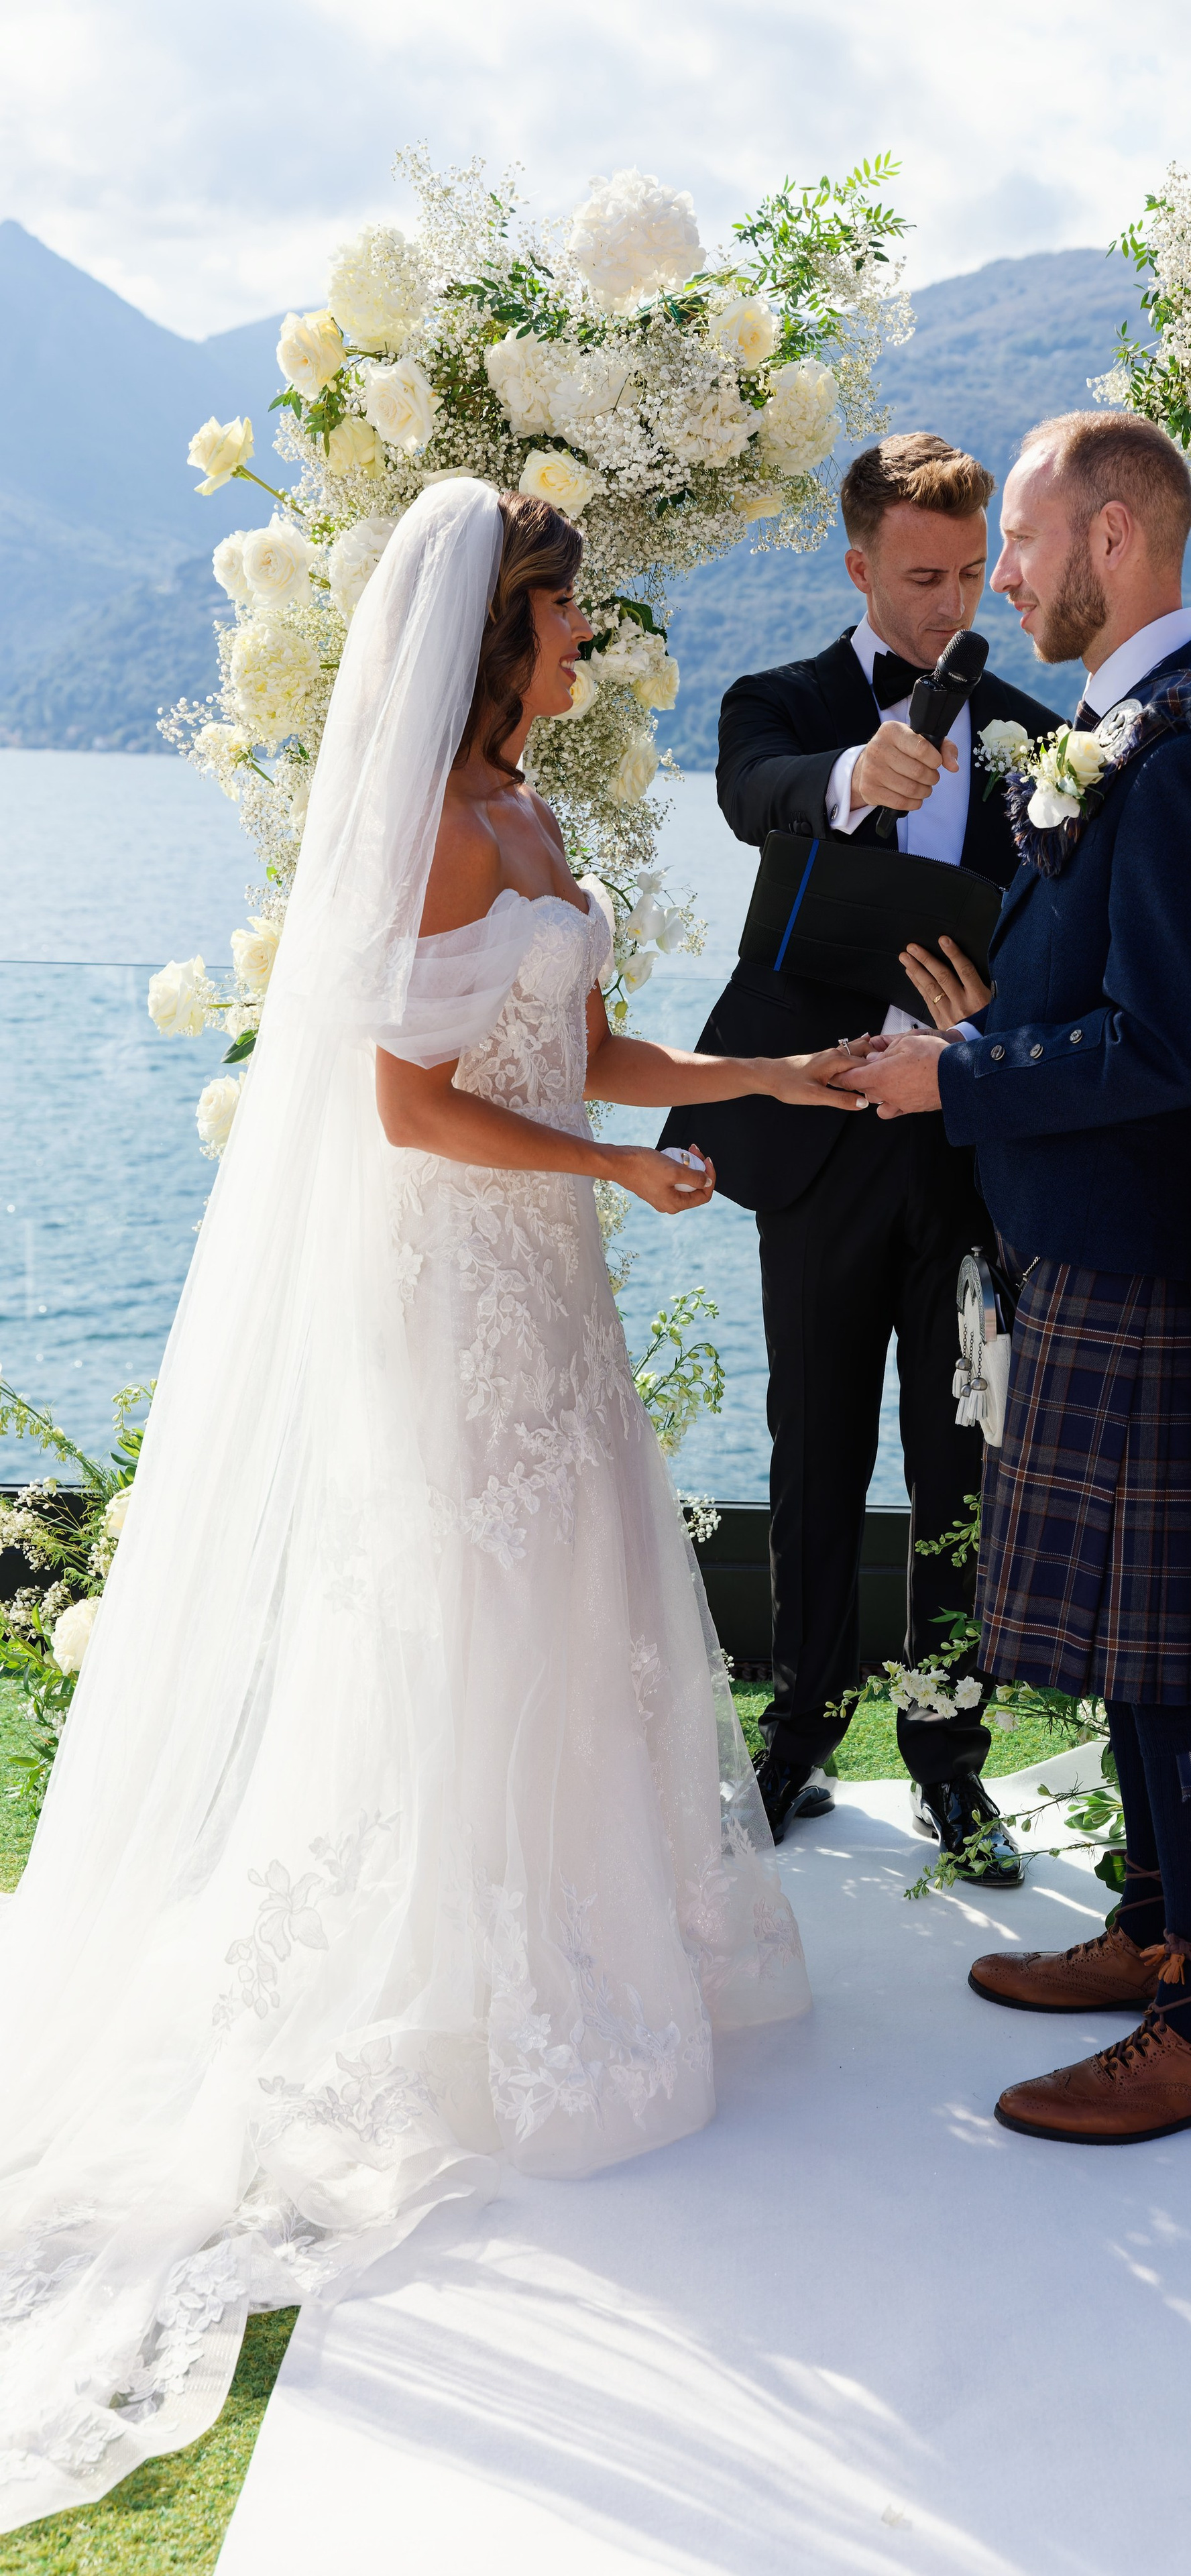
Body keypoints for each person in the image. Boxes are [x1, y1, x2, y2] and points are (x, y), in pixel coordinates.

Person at [0, 480, 860, 2528]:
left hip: (540, 1287)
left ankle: (576, 1956)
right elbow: (405, 1100)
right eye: (566, 626)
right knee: (470, 1613)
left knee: (574, 1613)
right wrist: (615, 1177)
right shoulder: (436, 828)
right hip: (449, 1292)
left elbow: (573, 1044)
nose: (589, 653)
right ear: (491, 637)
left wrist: (766, 1082)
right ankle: (463, 1998)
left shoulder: (539, 819)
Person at [834, 413, 1191, 2145]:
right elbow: (1120, 1011)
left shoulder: (1186, 744)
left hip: (1138, 1269)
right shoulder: (1130, 733)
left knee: (1172, 1658)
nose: (1004, 575)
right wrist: (1004, 1032)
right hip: (1093, 1255)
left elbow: (1176, 1045)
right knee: (1143, 1653)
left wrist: (956, 1079)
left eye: (1028, 540)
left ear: (1116, 537)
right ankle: (1152, 1934)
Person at [663, 434, 1060, 1881]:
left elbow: (1058, 941)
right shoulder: (780, 704)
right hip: (819, 1135)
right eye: (918, 577)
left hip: (958, 1147)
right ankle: (800, 1738)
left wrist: (991, 1023)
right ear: (856, 567)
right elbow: (751, 792)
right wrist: (846, 773)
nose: (949, 603)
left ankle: (954, 1765)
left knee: (963, 1464)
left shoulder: (1030, 732)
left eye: (967, 576)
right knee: (813, 1446)